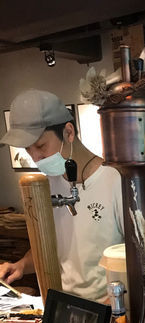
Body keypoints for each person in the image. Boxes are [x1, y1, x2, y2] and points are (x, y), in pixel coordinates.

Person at [0, 89, 125, 302]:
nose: (36, 157)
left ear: (68, 132)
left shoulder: (115, 180)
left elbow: (140, 258)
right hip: (63, 305)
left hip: (110, 307)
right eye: (28, 149)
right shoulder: (48, 184)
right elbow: (51, 246)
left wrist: (115, 305)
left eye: (41, 146)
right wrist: (20, 265)